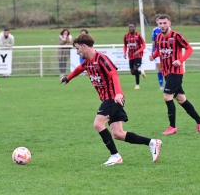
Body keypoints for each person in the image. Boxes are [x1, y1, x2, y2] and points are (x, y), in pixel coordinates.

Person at [60, 34, 162, 166]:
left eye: (78, 48)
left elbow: (113, 73)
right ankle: (152, 143)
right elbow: (80, 68)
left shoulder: (101, 58)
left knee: (98, 124)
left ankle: (115, 156)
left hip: (113, 98)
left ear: (84, 47)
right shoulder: (88, 61)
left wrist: (118, 93)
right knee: (118, 134)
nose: (77, 51)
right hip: (110, 98)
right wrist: (68, 78)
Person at [149, 14, 200, 135]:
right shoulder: (158, 37)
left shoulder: (177, 36)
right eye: (160, 23)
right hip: (166, 71)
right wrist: (153, 56)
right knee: (181, 99)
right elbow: (159, 50)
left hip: (176, 72)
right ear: (157, 24)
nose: (162, 25)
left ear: (169, 23)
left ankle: (172, 127)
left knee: (167, 97)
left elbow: (190, 49)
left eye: (165, 23)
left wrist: (180, 60)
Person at [123, 23, 147, 89]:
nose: (130, 28)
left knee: (135, 68)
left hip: (138, 55)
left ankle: (137, 85)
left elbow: (144, 45)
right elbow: (125, 45)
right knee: (133, 72)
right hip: (130, 55)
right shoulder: (126, 36)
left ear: (135, 28)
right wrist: (124, 52)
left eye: (132, 27)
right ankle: (141, 72)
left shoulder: (138, 35)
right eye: (129, 27)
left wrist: (139, 51)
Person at [151, 14, 164, 90]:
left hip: (165, 51)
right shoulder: (155, 30)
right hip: (157, 51)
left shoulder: (168, 29)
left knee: (165, 67)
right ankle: (161, 85)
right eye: (157, 20)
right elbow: (153, 42)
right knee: (159, 68)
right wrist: (152, 52)